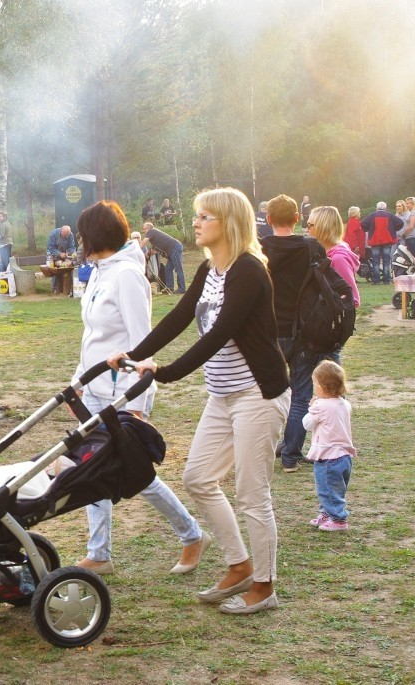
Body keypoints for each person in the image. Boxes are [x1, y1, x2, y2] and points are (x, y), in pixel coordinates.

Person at [110, 187, 290, 615]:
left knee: (252, 494)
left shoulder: (248, 271)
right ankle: (239, 564)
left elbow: (219, 333)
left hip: (257, 395)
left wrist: (165, 373)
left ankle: (264, 587)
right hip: (223, 395)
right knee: (198, 478)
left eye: (205, 216)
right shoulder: (210, 268)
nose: (196, 222)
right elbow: (179, 316)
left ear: (227, 223)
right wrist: (135, 354)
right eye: (197, 215)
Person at [72, 201, 207, 576]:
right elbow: (94, 336)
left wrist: (138, 402)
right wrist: (77, 381)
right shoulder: (100, 271)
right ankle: (99, 553)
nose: (80, 239)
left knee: (134, 473)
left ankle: (192, 534)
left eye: (83, 233)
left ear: (96, 235)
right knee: (92, 468)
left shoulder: (128, 275)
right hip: (94, 388)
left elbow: (141, 341)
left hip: (122, 394)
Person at [262, 194, 336, 473]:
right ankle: (291, 454)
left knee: (263, 394)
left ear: (268, 219)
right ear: (297, 218)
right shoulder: (311, 247)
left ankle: (270, 448)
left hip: (266, 332)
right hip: (302, 331)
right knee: (301, 394)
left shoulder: (258, 249)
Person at [303, 360, 355, 532]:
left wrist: (311, 408)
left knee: (326, 490)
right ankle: (327, 513)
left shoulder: (320, 406)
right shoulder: (344, 404)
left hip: (328, 457)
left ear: (321, 386)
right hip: (344, 456)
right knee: (336, 488)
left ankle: (339, 520)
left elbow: (307, 424)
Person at [307, 206, 360, 307]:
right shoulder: (323, 252)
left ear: (323, 227)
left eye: (309, 225)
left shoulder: (338, 258)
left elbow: (352, 299)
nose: (307, 229)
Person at [361, 201, 404, 285]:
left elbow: (363, 224)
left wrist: (368, 229)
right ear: (385, 208)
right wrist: (394, 230)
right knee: (386, 261)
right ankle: (386, 279)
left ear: (377, 208)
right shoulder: (390, 215)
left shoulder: (372, 215)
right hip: (387, 240)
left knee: (376, 261)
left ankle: (376, 280)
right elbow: (400, 223)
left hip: (375, 240)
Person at [140, 222, 186, 293]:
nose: (144, 231)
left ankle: (182, 289)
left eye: (144, 229)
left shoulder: (152, 231)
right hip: (172, 251)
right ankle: (170, 288)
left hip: (174, 248)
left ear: (148, 228)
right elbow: (153, 251)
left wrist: (134, 249)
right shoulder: (153, 239)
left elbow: (142, 243)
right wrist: (146, 254)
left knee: (178, 268)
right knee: (167, 269)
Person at [46, 225, 78, 292]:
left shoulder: (70, 235)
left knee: (69, 267)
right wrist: (59, 254)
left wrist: (72, 253)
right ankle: (55, 288)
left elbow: (71, 246)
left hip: (65, 254)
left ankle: (69, 287)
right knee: (55, 269)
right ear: (61, 231)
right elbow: (50, 248)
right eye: (65, 235)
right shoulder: (53, 234)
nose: (66, 236)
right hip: (54, 255)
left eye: (67, 235)